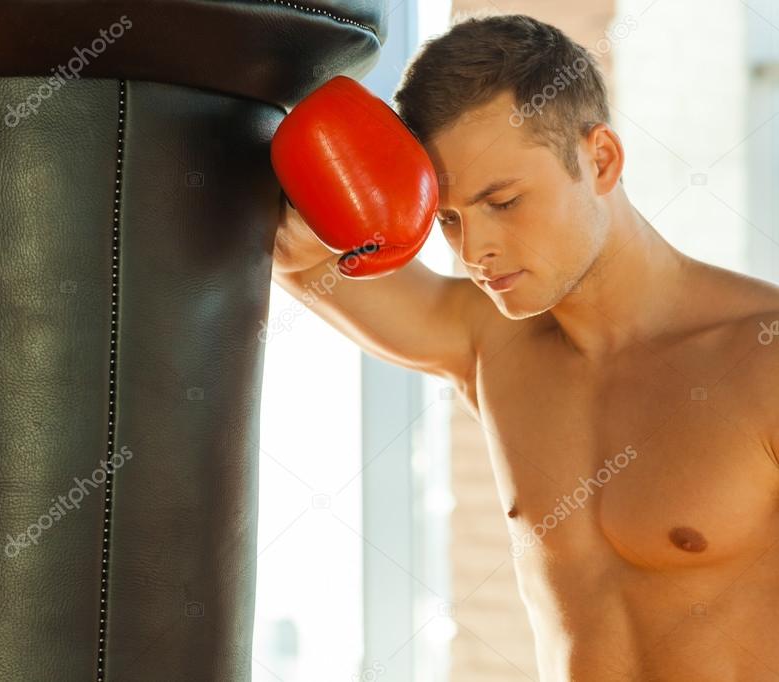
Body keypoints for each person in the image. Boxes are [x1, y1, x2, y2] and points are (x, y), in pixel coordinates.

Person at [271, 13, 779, 681]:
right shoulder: (486, 343)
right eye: (447, 218)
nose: (473, 250)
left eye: (503, 202)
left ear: (599, 160)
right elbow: (298, 257)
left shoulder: (761, 361)